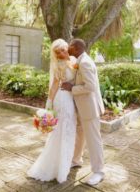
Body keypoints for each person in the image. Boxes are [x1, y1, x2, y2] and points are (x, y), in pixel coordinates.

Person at [27, 39, 77, 183]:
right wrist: (49, 103)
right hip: (62, 99)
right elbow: (55, 85)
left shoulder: (75, 60)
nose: (62, 54)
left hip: (71, 98)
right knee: (62, 132)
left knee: (68, 131)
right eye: (58, 52)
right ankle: (58, 168)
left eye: (63, 49)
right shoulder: (59, 65)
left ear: (67, 47)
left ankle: (63, 164)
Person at [61, 38, 105, 186]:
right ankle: (76, 160)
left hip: (89, 108)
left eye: (70, 47)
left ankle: (99, 172)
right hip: (81, 107)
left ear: (76, 48)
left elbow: (90, 86)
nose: (67, 49)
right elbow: (81, 81)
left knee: (94, 140)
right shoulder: (80, 60)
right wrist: (71, 83)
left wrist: (71, 88)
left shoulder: (85, 62)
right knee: (80, 134)